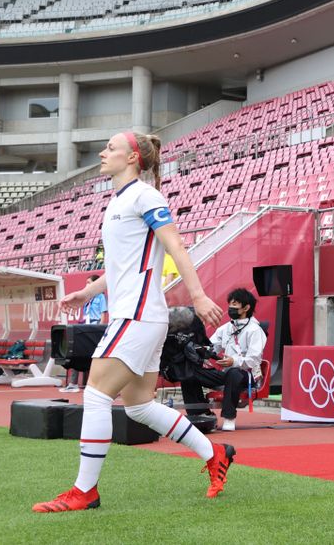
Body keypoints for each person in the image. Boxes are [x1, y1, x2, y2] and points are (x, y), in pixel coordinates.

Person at [33, 131, 231, 513]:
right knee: (139, 405)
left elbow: (176, 245)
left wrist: (199, 295)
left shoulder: (145, 196)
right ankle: (215, 453)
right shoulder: (119, 201)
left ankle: (84, 492)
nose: (103, 153)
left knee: (94, 395)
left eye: (111, 148)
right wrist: (88, 293)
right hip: (140, 317)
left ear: (132, 159)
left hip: (137, 316)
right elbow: (120, 266)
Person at [178, 288, 267, 432]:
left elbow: (254, 359)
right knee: (187, 372)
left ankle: (229, 417)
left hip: (246, 374)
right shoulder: (225, 328)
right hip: (226, 373)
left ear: (246, 308)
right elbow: (211, 347)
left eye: (235, 305)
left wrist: (234, 361)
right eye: (230, 304)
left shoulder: (255, 330)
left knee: (234, 373)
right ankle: (201, 415)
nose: (231, 308)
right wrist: (199, 351)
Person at [60, 275, 109, 393]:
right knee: (76, 352)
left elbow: (103, 314)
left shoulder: (101, 297)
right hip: (85, 326)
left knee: (94, 358)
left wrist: (100, 329)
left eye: (88, 282)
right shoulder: (87, 299)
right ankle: (73, 384)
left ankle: (93, 385)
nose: (86, 285)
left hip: (95, 327)